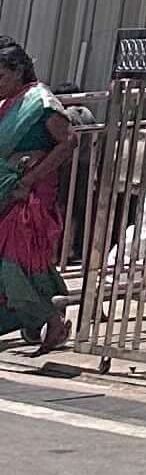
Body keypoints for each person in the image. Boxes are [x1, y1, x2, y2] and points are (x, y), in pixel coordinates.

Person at [0, 42, 73, 351]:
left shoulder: (40, 101)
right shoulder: (7, 103)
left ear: (18, 71)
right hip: (7, 191)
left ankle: (50, 319)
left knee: (17, 259)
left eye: (1, 75)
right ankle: (41, 318)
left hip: (29, 194)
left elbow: (68, 142)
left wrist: (29, 179)